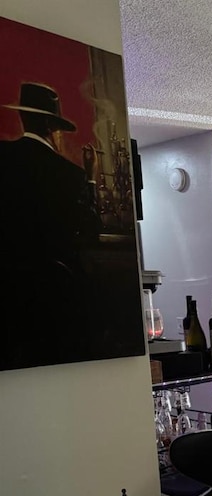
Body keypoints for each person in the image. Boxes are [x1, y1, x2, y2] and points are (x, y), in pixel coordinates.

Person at [0, 82, 102, 369]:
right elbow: (89, 232)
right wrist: (91, 179)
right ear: (50, 125)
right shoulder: (70, 174)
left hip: (6, 293)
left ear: (23, 118)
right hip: (54, 297)